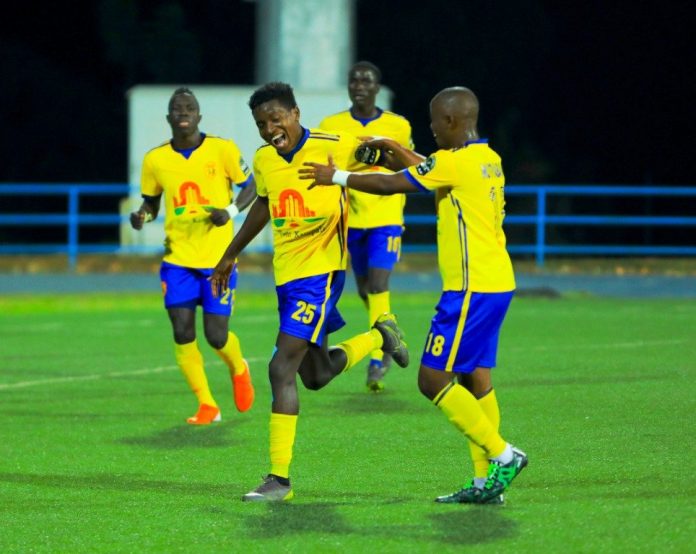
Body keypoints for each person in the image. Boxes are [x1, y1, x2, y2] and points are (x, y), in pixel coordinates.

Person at [299, 86, 528, 504]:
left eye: (435, 120)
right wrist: (396, 149)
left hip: (470, 289)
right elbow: (432, 168)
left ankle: (503, 455)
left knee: (432, 379)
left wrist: (336, 177)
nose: (432, 128)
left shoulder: (454, 162)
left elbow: (391, 185)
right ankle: (486, 484)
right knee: (476, 378)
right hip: (497, 283)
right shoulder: (487, 158)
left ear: (451, 121)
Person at [209, 82, 409, 502]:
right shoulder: (265, 159)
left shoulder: (334, 144)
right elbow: (264, 204)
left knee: (280, 367)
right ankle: (380, 336)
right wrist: (230, 254)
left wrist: (398, 157)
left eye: (276, 119)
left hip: (321, 274)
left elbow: (390, 160)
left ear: (296, 113)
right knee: (315, 376)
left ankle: (278, 481)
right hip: (288, 276)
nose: (269, 129)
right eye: (261, 124)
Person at [130, 87, 257, 425]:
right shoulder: (155, 159)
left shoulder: (222, 149)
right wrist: (142, 215)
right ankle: (207, 404)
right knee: (182, 330)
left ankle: (239, 367)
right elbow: (151, 202)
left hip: (218, 260)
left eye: (189, 107)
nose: (183, 111)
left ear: (199, 115)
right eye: (177, 108)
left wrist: (230, 211)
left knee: (216, 335)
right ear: (168, 117)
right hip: (178, 261)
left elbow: (252, 186)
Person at [319, 61, 414, 392]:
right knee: (363, 289)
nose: (359, 85)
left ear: (377, 87)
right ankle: (386, 331)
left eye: (366, 81)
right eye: (354, 80)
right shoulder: (331, 125)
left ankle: (379, 355)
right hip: (350, 219)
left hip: (386, 217)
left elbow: (407, 164)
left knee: (377, 283)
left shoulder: (397, 125)